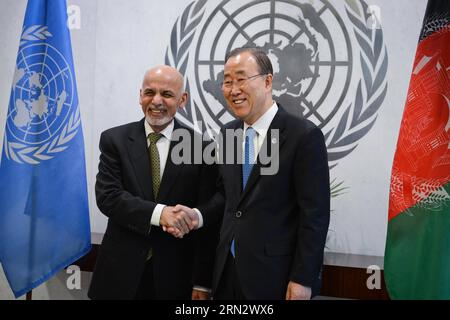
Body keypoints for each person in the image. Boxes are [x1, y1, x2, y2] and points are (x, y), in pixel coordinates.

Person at [171, 47, 330, 300]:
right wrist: (198, 216)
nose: (233, 90)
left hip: (275, 275)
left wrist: (302, 278)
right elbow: (229, 197)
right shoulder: (229, 134)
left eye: (241, 79)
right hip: (226, 272)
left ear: (268, 81)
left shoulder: (303, 135)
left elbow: (315, 215)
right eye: (227, 82)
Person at [88, 65, 219, 300]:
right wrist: (162, 214)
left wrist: (202, 282)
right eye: (149, 92)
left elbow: (207, 220)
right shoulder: (114, 140)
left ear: (182, 99)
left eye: (167, 94)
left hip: (176, 279)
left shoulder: (202, 148)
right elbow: (108, 197)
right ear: (140, 96)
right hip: (118, 275)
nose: (156, 101)